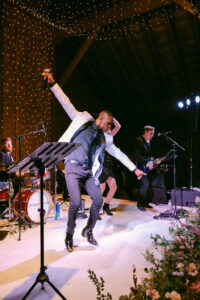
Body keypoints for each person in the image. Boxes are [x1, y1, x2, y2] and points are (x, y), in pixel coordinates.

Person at [42, 70, 146, 252]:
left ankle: (88, 231)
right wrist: (52, 84)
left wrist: (134, 169)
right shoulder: (82, 118)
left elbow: (118, 153)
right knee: (75, 202)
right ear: (100, 119)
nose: (111, 127)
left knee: (97, 200)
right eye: (109, 124)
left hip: (89, 172)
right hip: (72, 168)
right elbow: (66, 103)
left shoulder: (106, 138)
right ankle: (69, 233)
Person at [133, 126, 161, 211]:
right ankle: (140, 204)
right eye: (151, 133)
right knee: (145, 185)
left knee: (147, 185)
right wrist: (146, 162)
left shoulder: (147, 142)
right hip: (140, 167)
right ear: (145, 132)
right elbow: (136, 155)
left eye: (153, 133)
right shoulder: (139, 141)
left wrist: (155, 161)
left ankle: (144, 202)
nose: (152, 135)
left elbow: (148, 156)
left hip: (146, 167)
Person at [99, 118, 121, 216]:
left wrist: (113, 119)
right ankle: (96, 209)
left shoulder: (110, 135)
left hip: (108, 164)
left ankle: (106, 206)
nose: (109, 127)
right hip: (101, 164)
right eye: (108, 125)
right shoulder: (99, 135)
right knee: (101, 188)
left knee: (113, 186)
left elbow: (118, 127)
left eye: (110, 126)